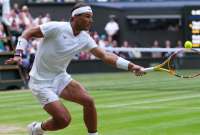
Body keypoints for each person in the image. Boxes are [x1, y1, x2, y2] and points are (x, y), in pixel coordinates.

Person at [5, 2, 145, 135]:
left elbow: (105, 55)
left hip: (60, 77)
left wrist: (131, 66)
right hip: (40, 82)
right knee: (64, 120)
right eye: (87, 17)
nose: (91, 20)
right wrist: (18, 54)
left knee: (89, 102)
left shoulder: (85, 38)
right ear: (75, 17)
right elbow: (27, 33)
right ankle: (37, 129)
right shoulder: (57, 28)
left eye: (91, 17)